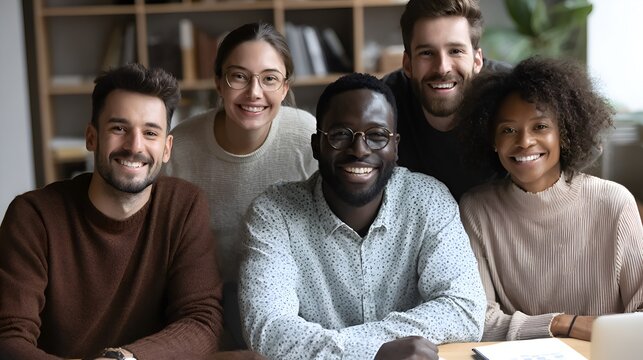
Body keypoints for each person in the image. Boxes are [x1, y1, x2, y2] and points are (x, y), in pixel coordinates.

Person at [239, 73, 485, 359]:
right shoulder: (273, 213)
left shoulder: (428, 201)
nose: (359, 150)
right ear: (317, 145)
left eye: (377, 136)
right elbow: (267, 331)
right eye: (341, 134)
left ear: (396, 147)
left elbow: (464, 309)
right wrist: (374, 352)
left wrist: (341, 348)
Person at [0, 64, 223, 359]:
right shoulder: (33, 216)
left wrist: (124, 358)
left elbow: (201, 321)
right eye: (119, 128)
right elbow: (8, 338)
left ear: (167, 148)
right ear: (92, 137)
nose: (134, 146)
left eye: (150, 132)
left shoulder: (184, 206)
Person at [457, 56, 643, 342]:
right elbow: (478, 319)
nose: (524, 141)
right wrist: (562, 324)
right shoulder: (477, 210)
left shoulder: (615, 204)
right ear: (492, 141)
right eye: (508, 130)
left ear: (564, 134)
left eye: (540, 126)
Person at [163, 22, 317, 351]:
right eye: (239, 77)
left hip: (294, 303)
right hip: (208, 305)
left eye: (269, 79)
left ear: (285, 86)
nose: (254, 93)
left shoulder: (307, 136)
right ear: (218, 82)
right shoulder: (180, 149)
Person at [382, 0, 509, 201]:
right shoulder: (381, 105)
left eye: (455, 51)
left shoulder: (512, 94)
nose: (442, 68)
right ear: (407, 64)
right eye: (427, 53)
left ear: (477, 61)